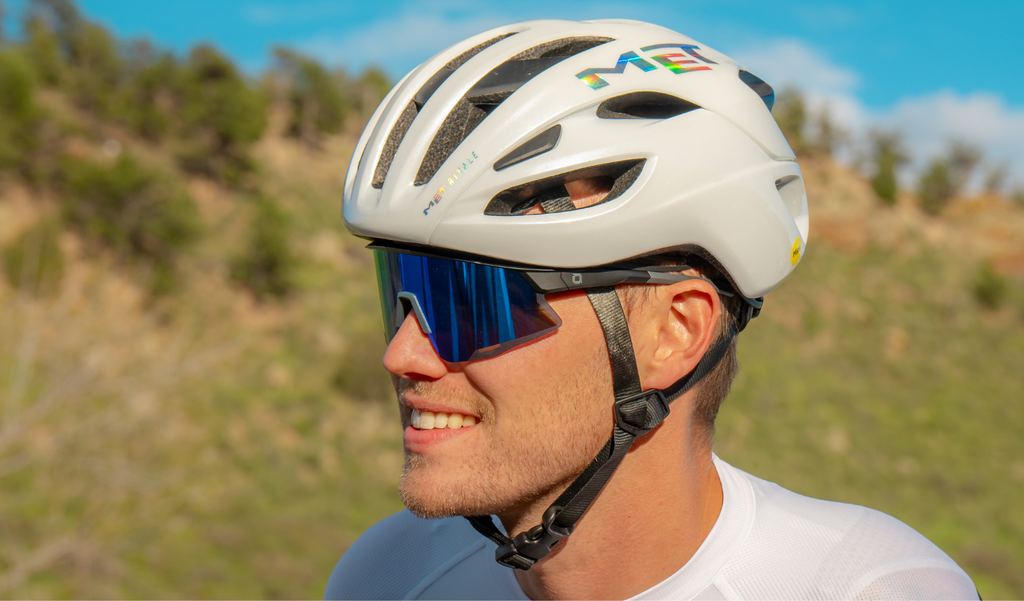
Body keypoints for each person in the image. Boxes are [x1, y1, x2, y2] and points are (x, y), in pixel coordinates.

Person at [325, 19, 977, 600]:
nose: (402, 354)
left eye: (474, 302)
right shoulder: (383, 578)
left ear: (674, 332)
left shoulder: (871, 587)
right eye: (402, 291)